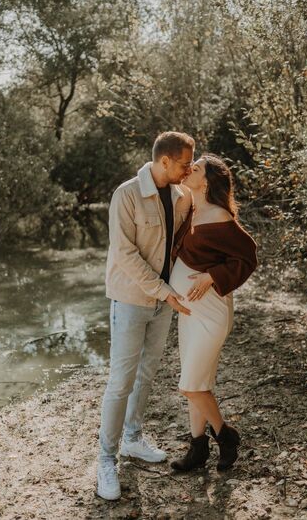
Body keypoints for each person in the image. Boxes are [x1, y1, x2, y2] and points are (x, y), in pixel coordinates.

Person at [97, 131, 195, 500]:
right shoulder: (125, 196)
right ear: (164, 160)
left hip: (163, 303)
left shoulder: (182, 196)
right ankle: (105, 460)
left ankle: (133, 439)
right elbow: (124, 254)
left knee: (148, 372)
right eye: (184, 164)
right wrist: (165, 292)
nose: (188, 170)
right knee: (121, 380)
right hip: (131, 299)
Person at [169, 153, 257, 472]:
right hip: (189, 313)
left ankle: (225, 435)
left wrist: (212, 276)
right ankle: (198, 450)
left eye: (195, 169)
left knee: (190, 385)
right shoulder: (192, 208)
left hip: (209, 313)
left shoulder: (219, 216)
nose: (188, 171)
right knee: (199, 383)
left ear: (206, 180)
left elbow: (247, 257)